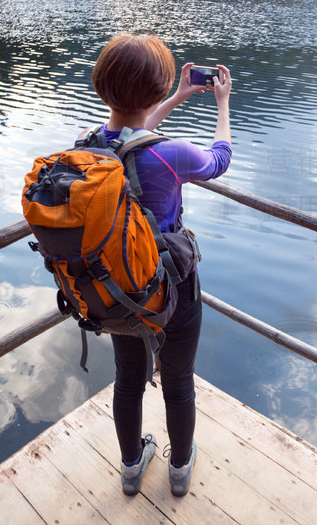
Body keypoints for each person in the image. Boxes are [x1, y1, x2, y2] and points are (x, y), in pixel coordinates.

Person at [88, 33, 232, 497]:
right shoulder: (173, 154)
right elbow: (219, 160)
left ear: (102, 86)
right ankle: (179, 470)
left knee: (128, 380)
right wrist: (221, 104)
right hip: (172, 290)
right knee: (178, 381)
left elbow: (134, 130)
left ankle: (131, 469)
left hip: (117, 290)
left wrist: (177, 96)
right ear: (155, 90)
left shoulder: (89, 146)